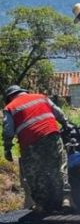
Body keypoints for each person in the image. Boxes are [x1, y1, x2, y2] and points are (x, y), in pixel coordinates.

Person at [3, 85, 75, 213]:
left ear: (9, 97)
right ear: (23, 92)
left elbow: (8, 130)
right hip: (51, 136)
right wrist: (65, 124)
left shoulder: (10, 107)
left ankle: (41, 204)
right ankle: (66, 199)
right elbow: (58, 112)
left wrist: (7, 148)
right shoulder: (41, 97)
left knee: (35, 172)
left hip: (30, 144)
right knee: (58, 166)